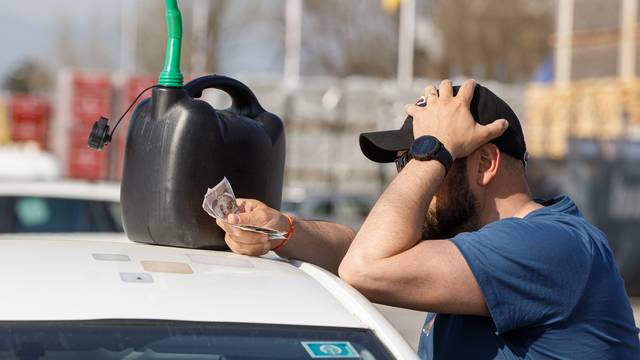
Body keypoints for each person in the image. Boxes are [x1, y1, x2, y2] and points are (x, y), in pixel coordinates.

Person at [216, 79, 640, 359]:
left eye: (421, 160)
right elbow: (358, 249)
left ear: (486, 162)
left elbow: (366, 267)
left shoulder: (550, 248)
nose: (412, 173)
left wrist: (433, 146)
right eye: (407, 162)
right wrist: (283, 229)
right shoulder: (488, 245)